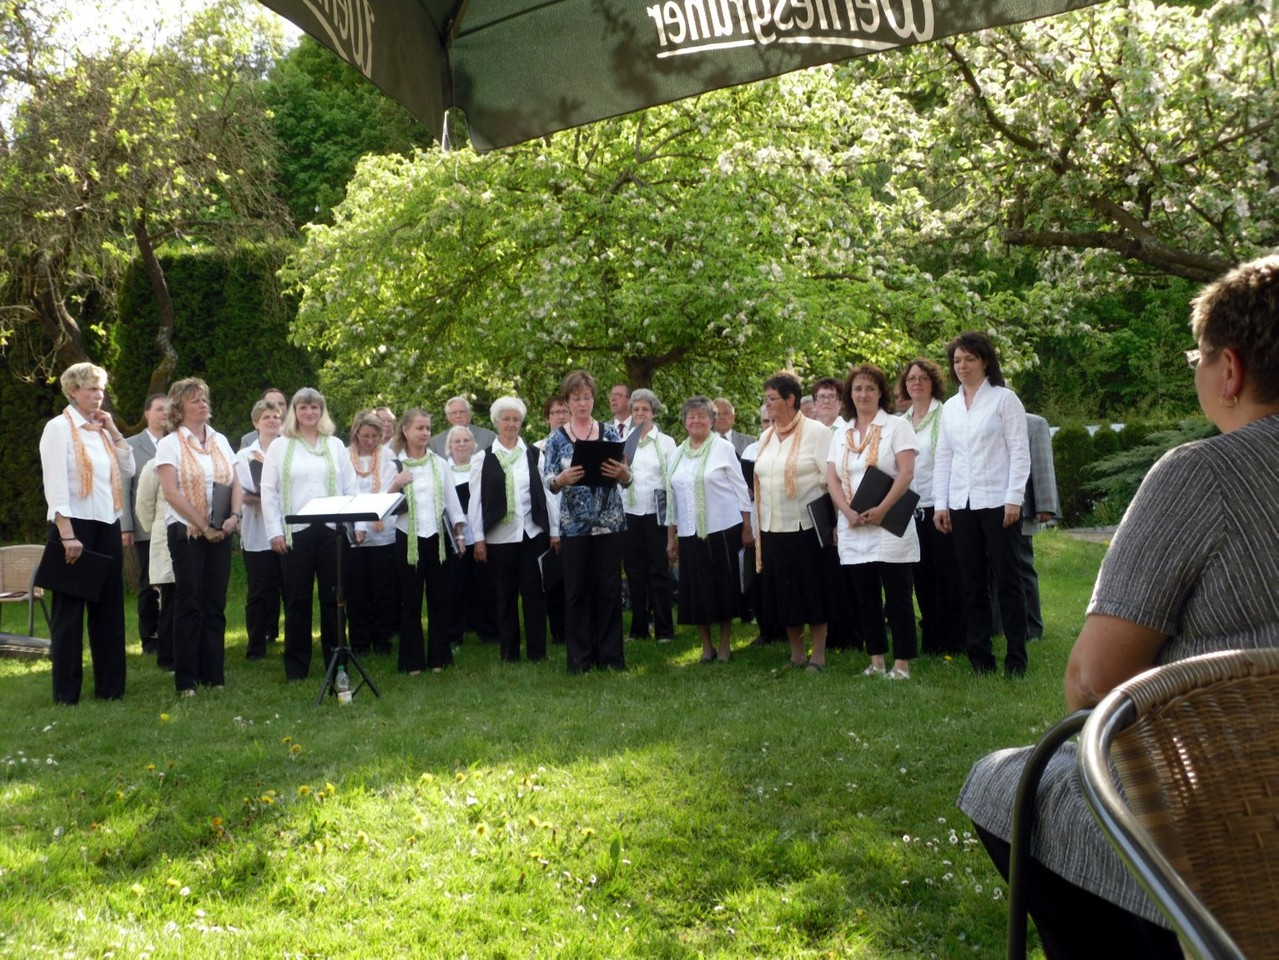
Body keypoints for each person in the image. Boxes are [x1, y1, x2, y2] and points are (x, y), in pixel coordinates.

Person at [958, 254, 1279, 960]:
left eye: (1195, 357)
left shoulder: (1201, 474)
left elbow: (1091, 683)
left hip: (1229, 808)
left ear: (1227, 370)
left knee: (1004, 785)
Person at [932, 331, 1032, 676]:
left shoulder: (1005, 400)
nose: (962, 366)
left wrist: (1013, 498)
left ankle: (1016, 658)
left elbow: (1020, 451)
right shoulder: (950, 407)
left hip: (998, 502)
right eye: (957, 360)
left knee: (1007, 580)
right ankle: (980, 658)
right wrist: (940, 504)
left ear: (985, 361)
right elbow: (944, 455)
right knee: (971, 583)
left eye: (969, 359)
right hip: (962, 503)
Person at [39, 362, 136, 704]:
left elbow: (128, 468)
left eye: (101, 389)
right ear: (73, 392)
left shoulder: (101, 430)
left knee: (109, 608)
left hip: (106, 522)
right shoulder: (58, 428)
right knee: (69, 612)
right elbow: (55, 485)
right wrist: (66, 533)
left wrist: (113, 429)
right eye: (91, 389)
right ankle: (66, 693)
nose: (98, 396)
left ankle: (111, 689)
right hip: (74, 525)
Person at [827, 365, 919, 679]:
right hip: (854, 525)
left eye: (869, 388)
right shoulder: (841, 432)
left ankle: (902, 664)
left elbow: (906, 472)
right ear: (849, 395)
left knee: (897, 596)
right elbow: (832, 479)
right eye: (857, 389)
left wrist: (881, 508)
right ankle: (876, 660)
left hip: (888, 523)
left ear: (881, 392)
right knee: (865, 598)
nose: (863, 394)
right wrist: (846, 512)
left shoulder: (896, 426)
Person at [261, 387, 358, 682]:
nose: (309, 413)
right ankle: (296, 667)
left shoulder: (335, 445)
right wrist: (275, 531)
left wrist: (357, 527)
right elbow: (269, 491)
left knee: (335, 600)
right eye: (303, 408)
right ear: (294, 412)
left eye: (315, 408)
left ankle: (337, 663)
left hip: (332, 531)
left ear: (322, 411)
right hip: (296, 533)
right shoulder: (281, 446)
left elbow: (350, 487)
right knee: (297, 600)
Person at [155, 377, 243, 695]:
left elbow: (235, 482)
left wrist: (233, 517)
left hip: (221, 530)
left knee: (215, 603)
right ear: (180, 408)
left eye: (205, 399)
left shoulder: (219, 439)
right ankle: (186, 679)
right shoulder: (169, 443)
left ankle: (214, 675)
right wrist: (203, 527)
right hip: (187, 533)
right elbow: (171, 492)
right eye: (195, 400)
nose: (203, 404)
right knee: (189, 603)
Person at [543, 370, 633, 673]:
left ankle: (610, 657)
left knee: (608, 589)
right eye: (576, 398)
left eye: (587, 397)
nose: (582, 403)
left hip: (609, 523)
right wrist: (561, 479)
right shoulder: (557, 438)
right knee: (577, 591)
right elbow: (548, 480)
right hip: (574, 527)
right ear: (567, 402)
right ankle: (579, 659)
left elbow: (627, 477)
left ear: (594, 399)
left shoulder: (610, 433)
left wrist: (623, 475)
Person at [753, 372, 835, 672]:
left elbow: (831, 481)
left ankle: (819, 655)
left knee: (812, 590)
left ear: (790, 399)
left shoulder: (816, 432)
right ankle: (797, 653)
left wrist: (836, 523)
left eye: (772, 399)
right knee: (784, 593)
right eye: (766, 400)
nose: (768, 405)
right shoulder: (767, 436)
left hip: (806, 527)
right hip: (773, 527)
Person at [470, 397, 559, 662]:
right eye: (506, 419)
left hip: (532, 533)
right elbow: (476, 501)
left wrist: (555, 530)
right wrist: (478, 539)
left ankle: (537, 653)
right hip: (499, 537)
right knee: (505, 596)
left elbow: (548, 494)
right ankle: (509, 653)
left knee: (535, 595)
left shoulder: (534, 454)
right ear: (496, 422)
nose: (511, 424)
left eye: (516, 419)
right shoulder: (482, 459)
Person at [667, 396, 753, 662]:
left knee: (723, 588)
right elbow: (672, 498)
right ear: (684, 422)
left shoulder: (723, 449)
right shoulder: (676, 453)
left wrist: (747, 526)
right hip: (690, 533)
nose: (696, 420)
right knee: (696, 591)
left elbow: (741, 489)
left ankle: (725, 645)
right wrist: (671, 537)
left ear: (712, 420)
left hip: (722, 529)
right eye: (691, 416)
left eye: (702, 416)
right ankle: (706, 647)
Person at [388, 408, 467, 674]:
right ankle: (411, 661)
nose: (424, 433)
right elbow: (382, 504)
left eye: (427, 429)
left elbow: (452, 502)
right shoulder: (394, 463)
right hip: (407, 538)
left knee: (438, 599)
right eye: (419, 428)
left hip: (436, 539)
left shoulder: (439, 464)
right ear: (405, 431)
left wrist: (459, 534)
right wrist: (396, 484)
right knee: (410, 601)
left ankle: (439, 658)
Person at [899, 358, 966, 655]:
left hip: (941, 507)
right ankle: (932, 636)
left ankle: (956, 636)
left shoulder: (945, 413)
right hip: (910, 510)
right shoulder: (901, 422)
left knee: (949, 575)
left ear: (933, 382)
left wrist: (946, 505)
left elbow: (950, 461)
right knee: (921, 576)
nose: (917, 383)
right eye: (912, 378)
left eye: (923, 378)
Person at [621, 388, 677, 643]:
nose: (640, 413)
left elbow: (672, 482)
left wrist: (671, 528)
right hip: (630, 514)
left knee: (659, 571)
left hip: (657, 515)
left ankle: (664, 629)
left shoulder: (666, 443)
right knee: (634, 572)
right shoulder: (623, 442)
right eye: (635, 409)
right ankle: (639, 629)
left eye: (645, 409)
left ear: (653, 412)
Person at [344, 410, 398, 655]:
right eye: (365, 436)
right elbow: (348, 491)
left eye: (375, 436)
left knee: (383, 589)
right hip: (353, 531)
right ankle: (360, 641)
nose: (370, 441)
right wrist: (358, 525)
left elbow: (385, 491)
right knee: (356, 590)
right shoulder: (345, 457)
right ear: (356, 434)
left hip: (382, 530)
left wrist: (369, 522)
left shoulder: (387, 456)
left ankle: (383, 639)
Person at [236, 399, 286, 661]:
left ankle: (294, 641)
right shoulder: (244, 456)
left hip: (287, 528)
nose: (272, 421)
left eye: (276, 416)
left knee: (290, 587)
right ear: (256, 422)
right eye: (266, 417)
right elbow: (242, 492)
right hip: (257, 531)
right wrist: (266, 497)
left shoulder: (289, 451)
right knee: (259, 589)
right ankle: (256, 646)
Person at [120, 393, 169, 655]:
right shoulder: (131, 445)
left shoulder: (177, 442)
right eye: (159, 409)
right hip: (144, 527)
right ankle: (149, 637)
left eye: (168, 410)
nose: (164, 414)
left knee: (172, 582)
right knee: (149, 582)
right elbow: (124, 488)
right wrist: (126, 526)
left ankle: (171, 631)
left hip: (173, 524)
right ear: (147, 413)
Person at [441, 425, 497, 647]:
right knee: (454, 586)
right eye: (457, 441)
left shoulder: (481, 466)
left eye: (466, 441)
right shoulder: (445, 469)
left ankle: (489, 632)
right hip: (455, 535)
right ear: (449, 446)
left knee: (485, 585)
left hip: (481, 532)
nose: (462, 445)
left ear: (473, 444)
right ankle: (454, 633)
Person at [742, 403, 784, 646]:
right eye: (765, 422)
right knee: (759, 579)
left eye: (773, 421)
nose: (769, 426)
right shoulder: (751, 449)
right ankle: (766, 628)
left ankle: (785, 627)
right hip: (756, 519)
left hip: (781, 519)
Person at [133, 456, 175, 672]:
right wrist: (155, 527)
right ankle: (167, 657)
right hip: (166, 534)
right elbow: (144, 504)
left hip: (196, 538)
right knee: (170, 598)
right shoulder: (155, 463)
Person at [537, 394, 570, 645]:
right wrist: (554, 528)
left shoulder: (580, 443)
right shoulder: (538, 449)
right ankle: (559, 630)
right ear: (547, 417)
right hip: (550, 523)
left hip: (579, 522)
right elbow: (546, 493)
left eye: (564, 411)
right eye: (555, 412)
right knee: (554, 579)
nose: (560, 416)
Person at [429, 396, 496, 455]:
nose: (458, 416)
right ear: (448, 417)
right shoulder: (436, 442)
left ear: (469, 414)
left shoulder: (489, 437)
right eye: (454, 413)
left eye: (462, 412)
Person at [239, 387, 288, 452]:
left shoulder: (297, 437)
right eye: (271, 403)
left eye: (281, 404)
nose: (276, 406)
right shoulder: (248, 440)